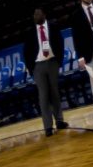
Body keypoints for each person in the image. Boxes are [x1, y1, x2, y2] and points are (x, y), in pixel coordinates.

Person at [21, 7, 69, 136]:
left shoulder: (53, 27)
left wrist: (59, 61)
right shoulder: (30, 32)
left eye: (38, 14)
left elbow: (60, 43)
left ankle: (59, 121)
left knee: (55, 93)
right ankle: (48, 127)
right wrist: (32, 69)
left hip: (52, 62)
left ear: (44, 15)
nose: (36, 16)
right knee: (43, 96)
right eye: (35, 15)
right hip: (38, 66)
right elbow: (26, 52)